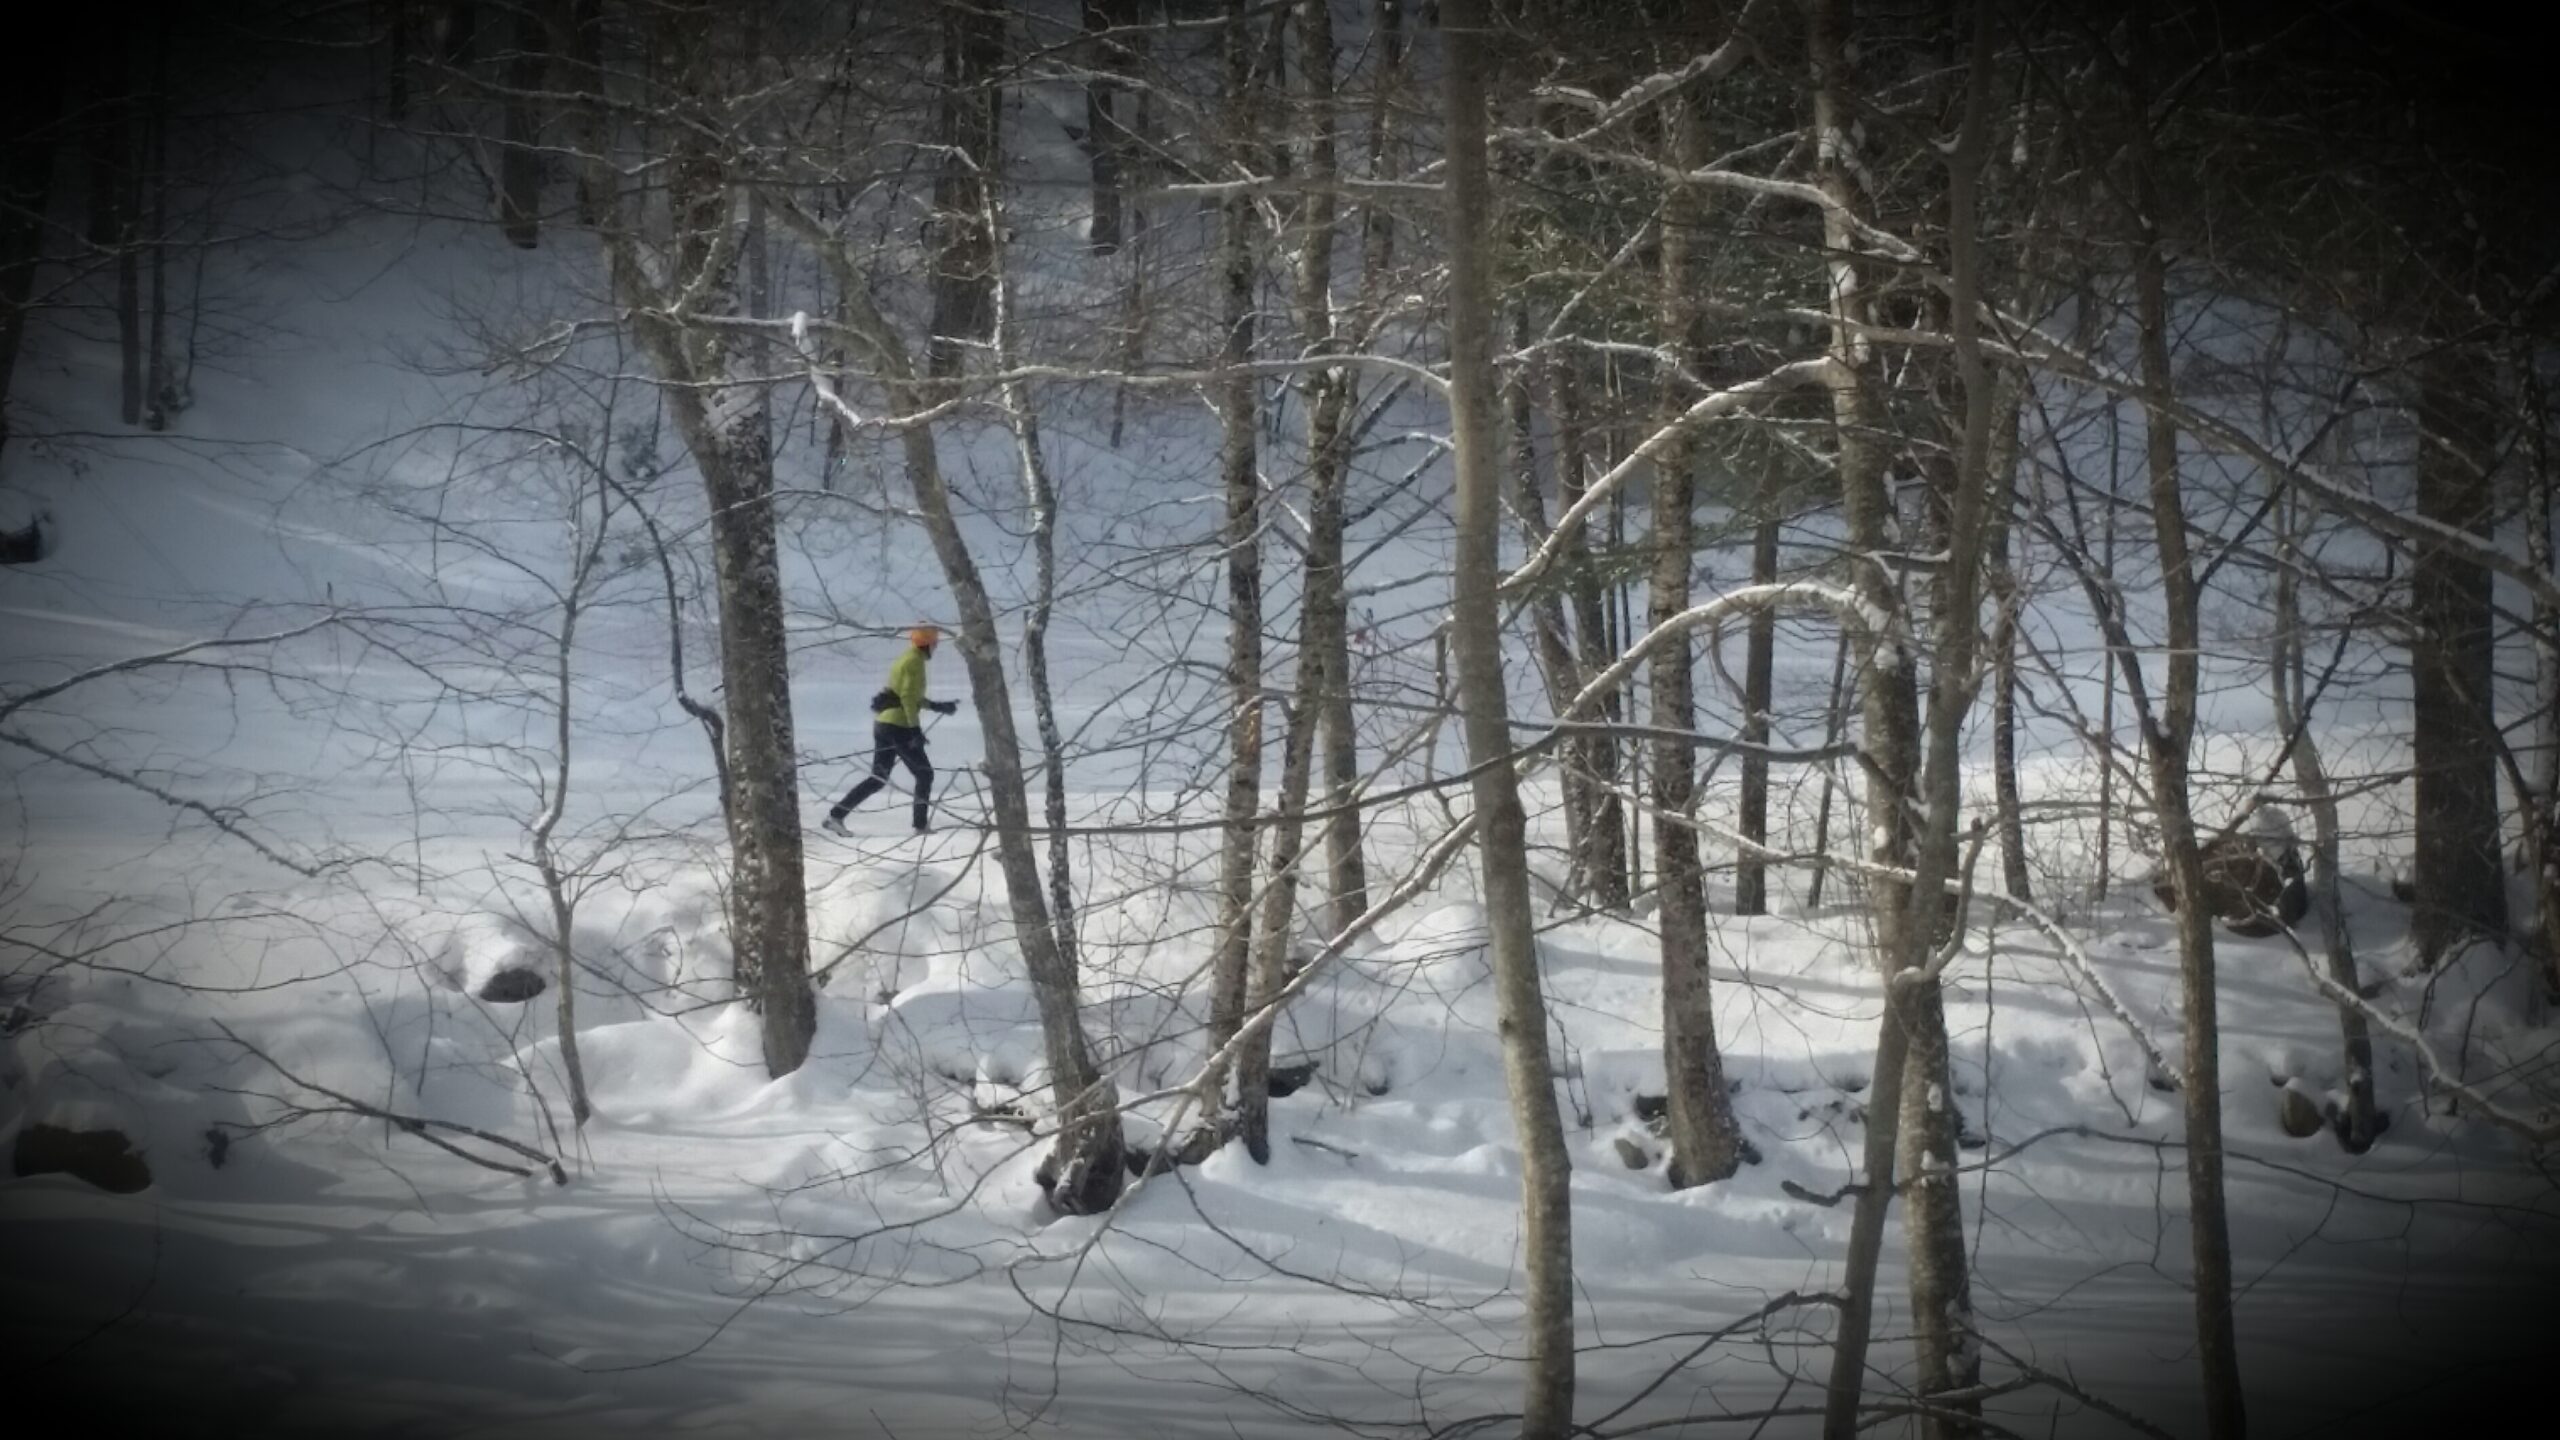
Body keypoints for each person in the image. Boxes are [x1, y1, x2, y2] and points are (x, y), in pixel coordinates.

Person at [821, 626, 960, 836]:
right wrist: (915, 730)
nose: (936, 646)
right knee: (924, 774)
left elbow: (908, 696)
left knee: (878, 778)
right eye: (934, 643)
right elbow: (906, 697)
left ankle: (836, 816)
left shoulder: (905, 658)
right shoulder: (915, 662)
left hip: (884, 724)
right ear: (928, 644)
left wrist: (937, 706)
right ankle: (920, 825)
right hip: (899, 726)